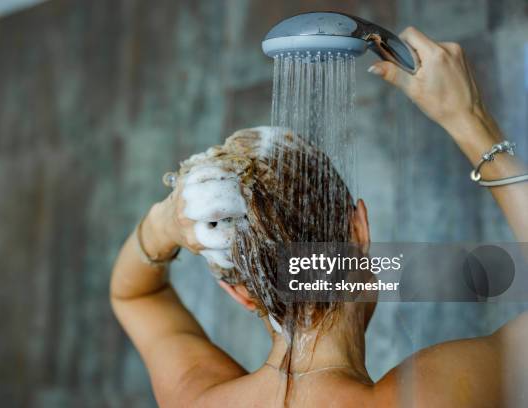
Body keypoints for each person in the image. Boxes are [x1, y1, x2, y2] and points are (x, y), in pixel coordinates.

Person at [110, 27, 528, 407]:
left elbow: (134, 294)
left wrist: (169, 217)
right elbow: (134, 296)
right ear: (359, 230)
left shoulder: (195, 398)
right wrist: (468, 119)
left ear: (241, 294)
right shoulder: (437, 394)